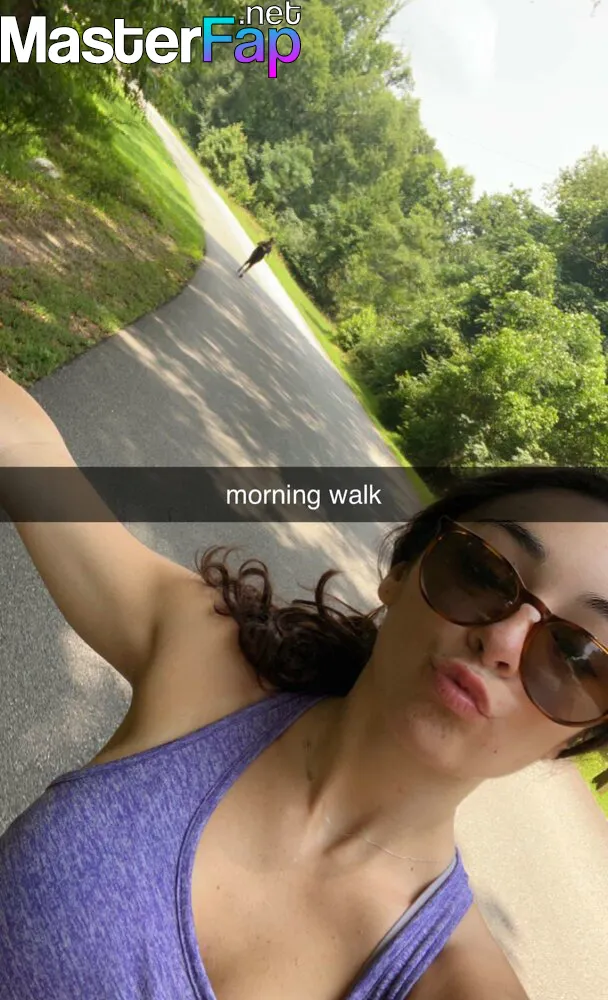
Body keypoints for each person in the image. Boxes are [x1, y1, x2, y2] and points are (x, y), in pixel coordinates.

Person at [0, 371, 607, 999]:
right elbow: (22, 446)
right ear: (402, 571)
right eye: (483, 571)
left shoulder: (461, 985)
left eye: (577, 656)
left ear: (579, 736)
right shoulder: (204, 656)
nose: (504, 642)